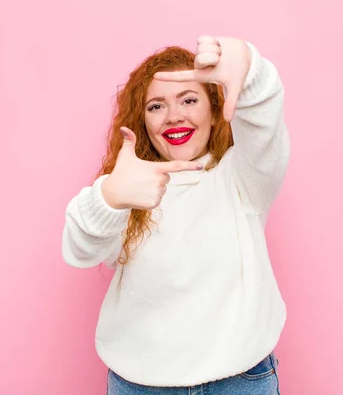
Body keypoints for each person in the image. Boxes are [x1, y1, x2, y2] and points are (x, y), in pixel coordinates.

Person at [61, 34, 290, 394]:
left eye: (188, 99)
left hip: (241, 382)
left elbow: (266, 124)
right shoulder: (129, 184)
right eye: (156, 106)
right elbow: (80, 251)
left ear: (215, 110)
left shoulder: (243, 176)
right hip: (140, 386)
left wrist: (250, 70)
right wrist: (110, 198)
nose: (174, 116)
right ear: (143, 123)